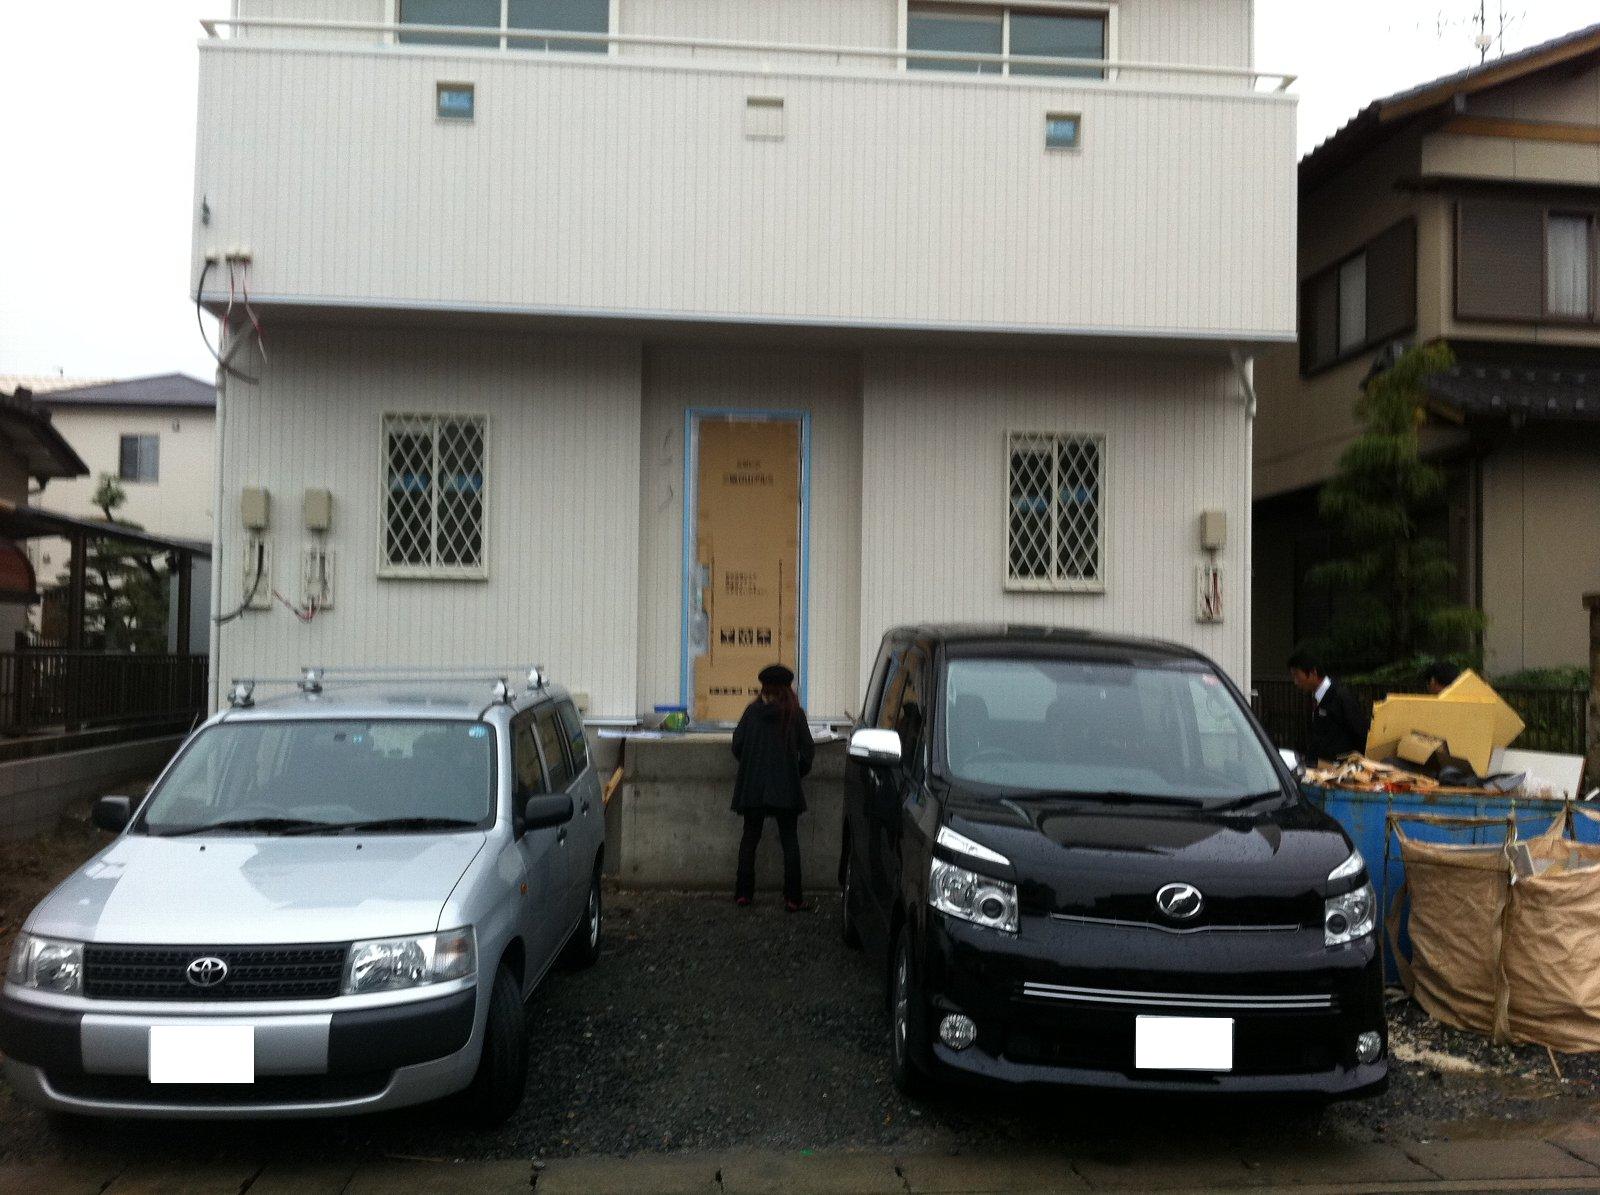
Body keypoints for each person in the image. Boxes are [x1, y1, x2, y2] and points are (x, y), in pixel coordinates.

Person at [731, 664, 815, 911]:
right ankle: (793, 898)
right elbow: (808, 752)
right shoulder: (794, 714)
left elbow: (737, 746)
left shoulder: (752, 712)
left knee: (750, 838)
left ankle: (743, 894)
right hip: (785, 788)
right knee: (789, 839)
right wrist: (795, 773)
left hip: (753, 786)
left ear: (764, 687)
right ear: (788, 688)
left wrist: (751, 766)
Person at [1287, 649, 1372, 763]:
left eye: (1297, 676)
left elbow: (1360, 732)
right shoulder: (1314, 697)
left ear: (1313, 672)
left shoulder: (1341, 696)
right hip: (1321, 766)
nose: (1296, 682)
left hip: (1343, 766)